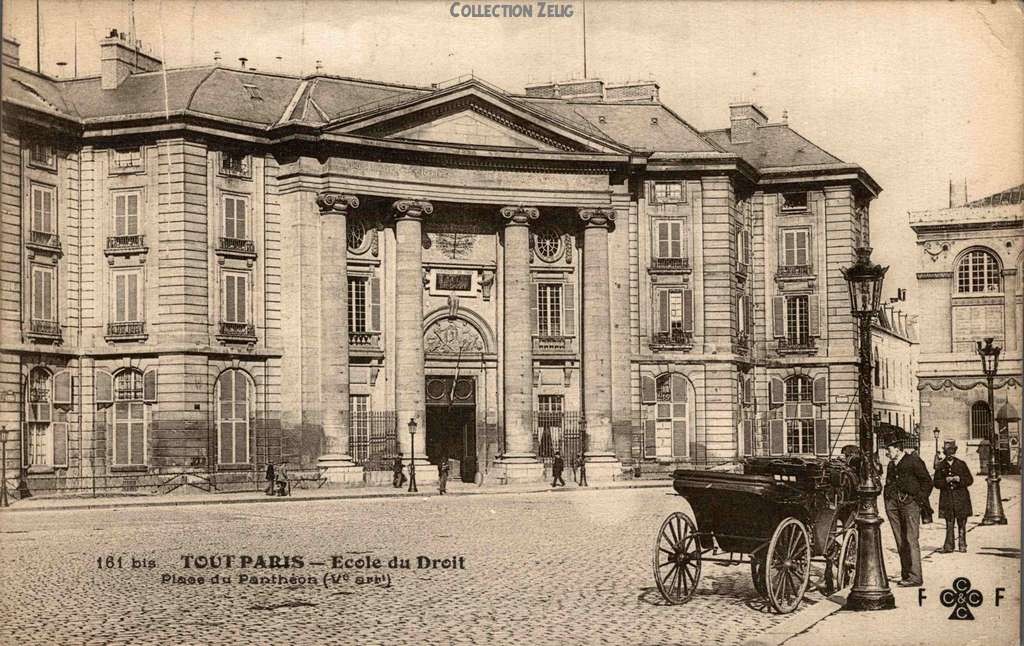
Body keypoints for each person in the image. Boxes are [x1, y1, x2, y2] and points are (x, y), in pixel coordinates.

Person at [883, 438, 932, 587]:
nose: (886, 453)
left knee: (911, 539)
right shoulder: (891, 465)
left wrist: (918, 500)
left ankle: (916, 577)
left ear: (898, 449)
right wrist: (888, 499)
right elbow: (889, 482)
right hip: (893, 504)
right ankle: (906, 574)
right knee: (900, 540)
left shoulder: (913, 461)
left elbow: (927, 482)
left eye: (889, 450)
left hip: (910, 504)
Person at [933, 440, 974, 553]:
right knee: (949, 523)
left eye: (951, 451)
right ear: (945, 452)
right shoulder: (940, 466)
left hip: (961, 498)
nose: (949, 454)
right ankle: (949, 546)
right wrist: (945, 480)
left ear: (955, 451)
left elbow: (970, 480)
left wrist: (959, 479)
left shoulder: (961, 464)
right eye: (947, 452)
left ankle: (962, 544)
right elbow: (936, 483)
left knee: (962, 523)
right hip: (947, 499)